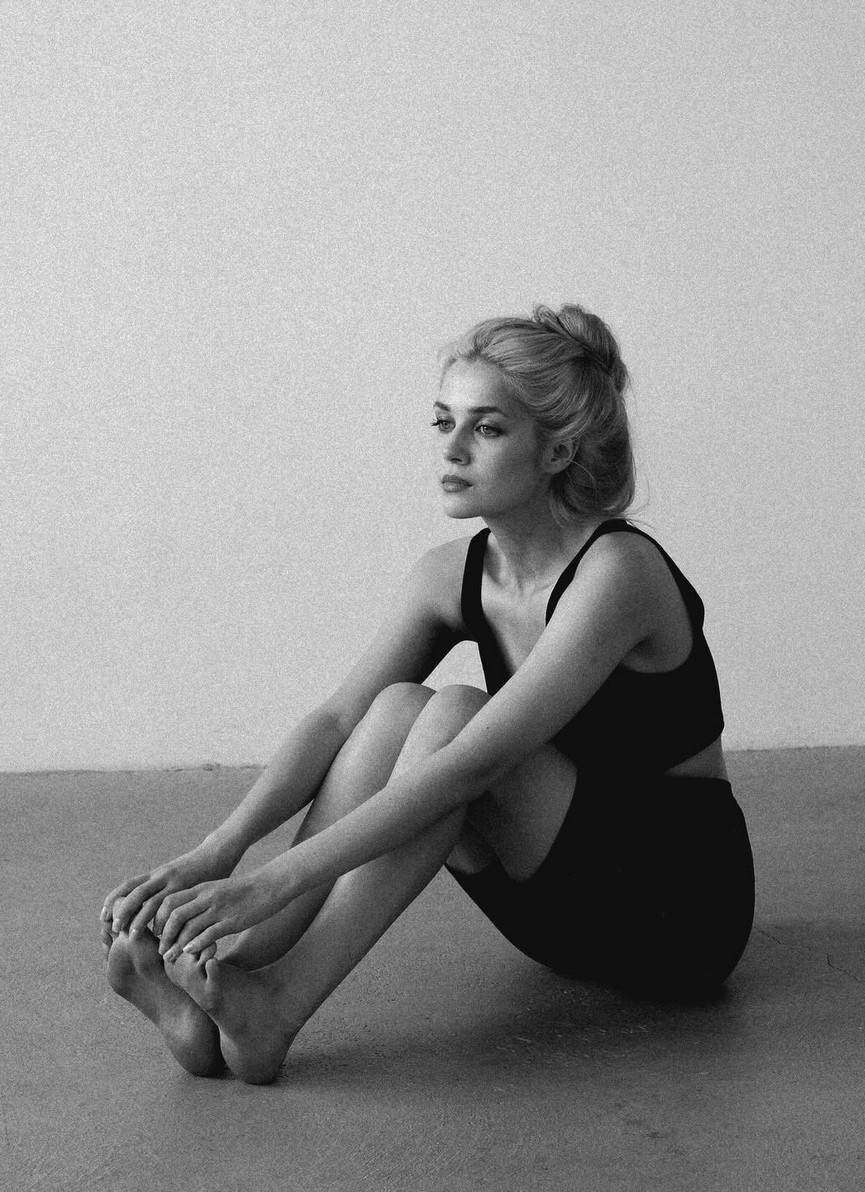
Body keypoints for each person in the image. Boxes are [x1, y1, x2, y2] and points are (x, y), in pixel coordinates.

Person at [100, 303, 755, 1085]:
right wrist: (220, 850)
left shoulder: (619, 573)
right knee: (395, 709)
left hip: (677, 914)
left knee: (453, 718)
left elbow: (473, 766)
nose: (451, 448)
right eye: (444, 421)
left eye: (487, 428)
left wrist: (273, 879)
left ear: (558, 449)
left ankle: (279, 1003)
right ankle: (235, 970)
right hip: (556, 907)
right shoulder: (449, 574)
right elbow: (336, 721)